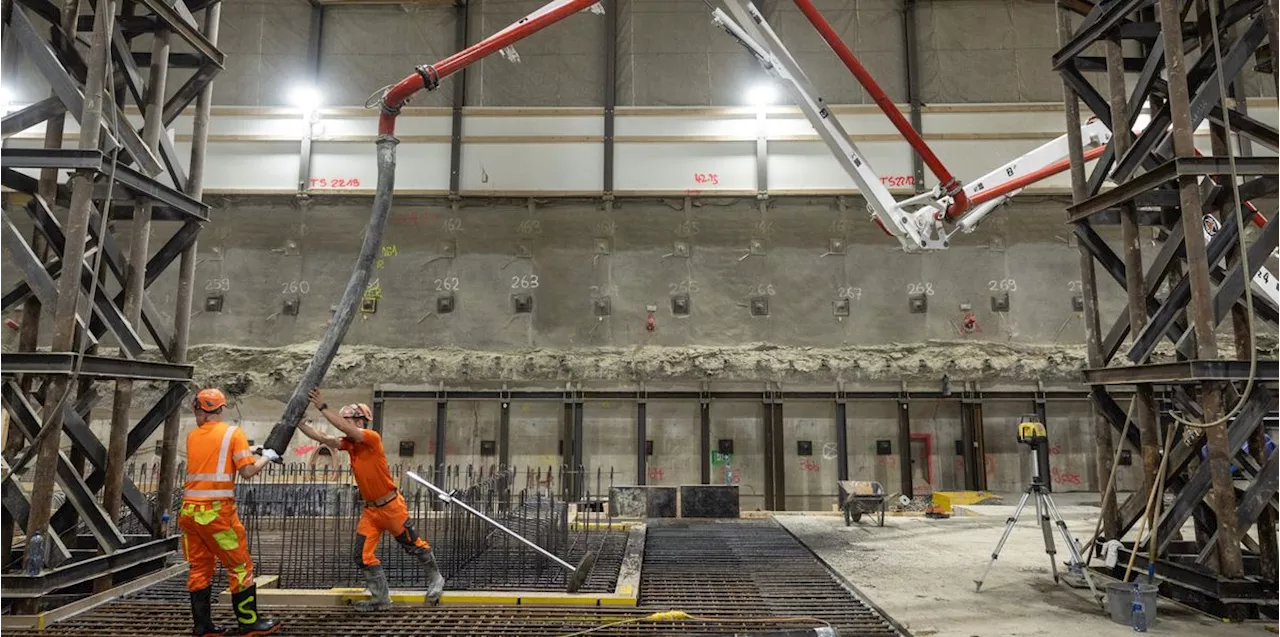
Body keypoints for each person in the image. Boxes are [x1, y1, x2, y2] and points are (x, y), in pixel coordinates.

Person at [295, 388, 445, 610]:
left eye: (349, 421)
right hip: (371, 512)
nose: (345, 425)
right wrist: (300, 425)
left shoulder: (371, 438)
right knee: (362, 555)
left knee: (414, 545)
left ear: (360, 421)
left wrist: (322, 406)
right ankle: (381, 599)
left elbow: (343, 427)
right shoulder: (350, 444)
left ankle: (436, 579)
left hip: (392, 507)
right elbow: (325, 438)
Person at [181, 388, 281, 637]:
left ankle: (203, 627)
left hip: (190, 514)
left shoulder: (193, 436)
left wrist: (251, 448)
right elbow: (247, 472)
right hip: (216, 515)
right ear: (221, 409)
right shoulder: (233, 433)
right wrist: (266, 456)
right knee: (239, 566)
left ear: (199, 409)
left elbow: (215, 450)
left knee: (200, 568)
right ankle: (249, 623)